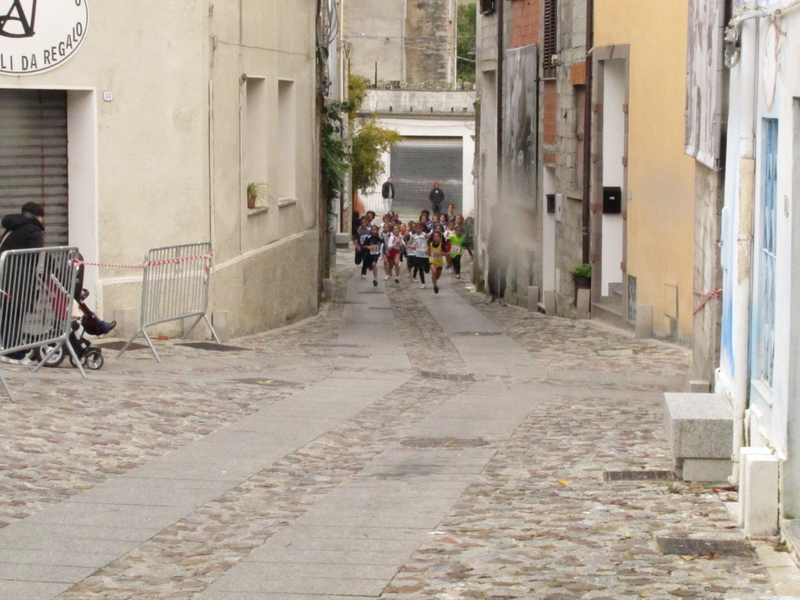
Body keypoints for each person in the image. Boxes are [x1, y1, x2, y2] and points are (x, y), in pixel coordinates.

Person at [0, 202, 45, 364]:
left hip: (5, 277)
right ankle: (13, 353)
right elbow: (36, 255)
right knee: (15, 315)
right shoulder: (32, 230)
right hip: (19, 280)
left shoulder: (13, 227)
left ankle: (9, 348)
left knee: (8, 314)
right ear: (37, 216)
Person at [410, 223, 429, 289]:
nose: (418, 230)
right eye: (417, 228)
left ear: (422, 229)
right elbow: (411, 244)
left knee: (427, 270)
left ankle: (426, 268)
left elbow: (429, 240)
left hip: (426, 255)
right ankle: (423, 283)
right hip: (418, 254)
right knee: (420, 268)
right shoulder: (414, 236)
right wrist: (412, 246)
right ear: (415, 229)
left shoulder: (424, 235)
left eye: (420, 228)